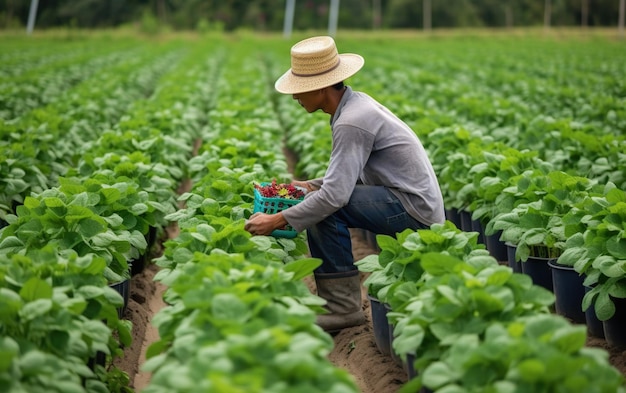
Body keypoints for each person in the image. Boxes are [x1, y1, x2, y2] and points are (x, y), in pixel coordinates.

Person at [244, 36, 445, 333]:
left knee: (324, 209)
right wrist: (310, 185)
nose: (295, 98)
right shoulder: (355, 106)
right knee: (318, 198)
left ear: (321, 88)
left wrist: (278, 219)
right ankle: (338, 303)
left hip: (413, 210)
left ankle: (341, 308)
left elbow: (335, 196)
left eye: (299, 91)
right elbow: (347, 178)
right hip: (405, 199)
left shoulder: (352, 120)